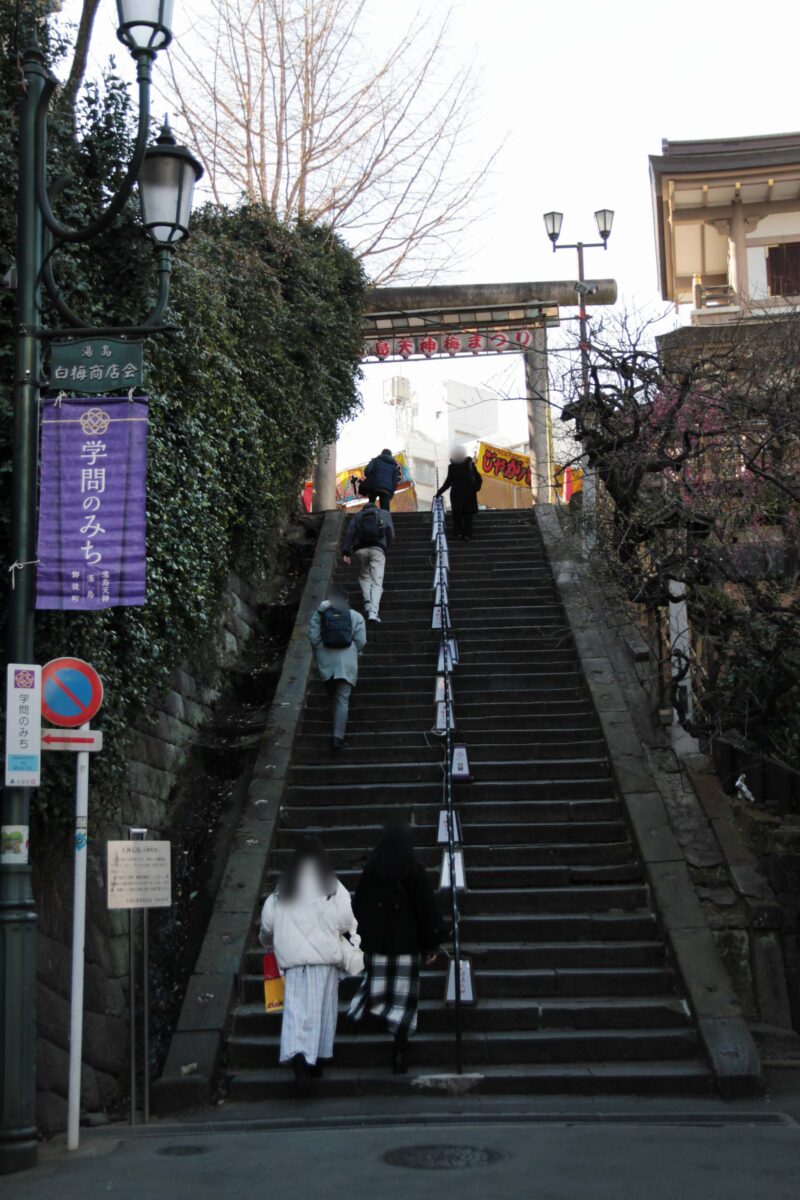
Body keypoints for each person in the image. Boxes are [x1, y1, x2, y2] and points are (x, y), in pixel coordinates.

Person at [259, 836, 359, 1090]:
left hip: (292, 963)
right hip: (324, 961)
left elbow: (268, 923)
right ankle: (317, 1061)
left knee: (296, 1010)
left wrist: (266, 940)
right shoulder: (331, 885)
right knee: (323, 1010)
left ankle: (299, 1057)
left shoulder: (284, 887)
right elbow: (347, 919)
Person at [348, 820, 448, 1074]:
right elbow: (426, 909)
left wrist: (360, 941)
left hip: (379, 944)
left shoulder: (372, 870)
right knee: (405, 998)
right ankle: (400, 1049)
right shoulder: (414, 869)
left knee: (381, 987)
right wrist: (432, 943)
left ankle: (372, 1011)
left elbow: (359, 907)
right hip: (407, 944)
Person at [309, 584, 366, 752]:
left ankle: (335, 730)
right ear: (347, 600)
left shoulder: (321, 614)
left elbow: (313, 636)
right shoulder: (356, 616)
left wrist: (320, 648)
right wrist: (354, 651)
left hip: (326, 661)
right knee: (342, 699)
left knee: (331, 696)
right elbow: (361, 641)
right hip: (346, 663)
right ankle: (337, 737)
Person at [341, 499, 395, 623]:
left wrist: (345, 552)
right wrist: (386, 547)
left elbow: (349, 533)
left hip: (360, 550)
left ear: (364, 508)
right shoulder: (384, 513)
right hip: (377, 549)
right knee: (377, 581)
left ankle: (367, 602)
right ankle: (373, 612)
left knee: (364, 576)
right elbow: (390, 532)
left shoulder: (358, 515)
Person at [435, 446, 483, 540]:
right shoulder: (452, 466)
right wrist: (439, 492)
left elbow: (478, 478)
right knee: (458, 515)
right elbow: (448, 482)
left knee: (467, 515)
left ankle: (466, 535)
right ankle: (459, 533)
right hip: (458, 495)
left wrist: (476, 488)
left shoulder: (469, 464)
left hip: (467, 494)